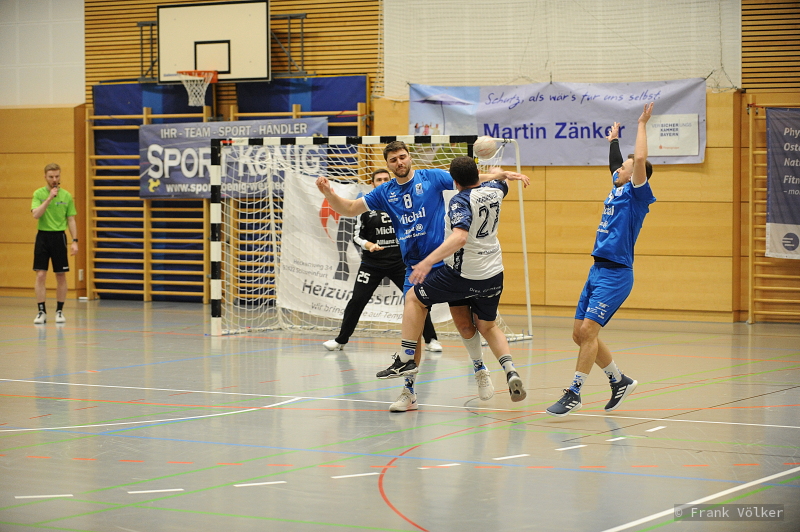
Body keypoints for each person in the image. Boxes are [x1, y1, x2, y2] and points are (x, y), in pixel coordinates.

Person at [316, 140, 530, 412]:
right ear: (388, 164)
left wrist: (500, 175)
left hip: (446, 263)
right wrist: (329, 193)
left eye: (402, 157)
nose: (399, 162)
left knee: (465, 325)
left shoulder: (432, 177)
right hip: (415, 268)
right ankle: (409, 392)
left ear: (409, 158)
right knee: (413, 330)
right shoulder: (384, 192)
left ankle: (480, 369)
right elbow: (347, 208)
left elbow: (470, 179)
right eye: (393, 160)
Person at [389, 156, 527, 412]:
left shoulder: (459, 201)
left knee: (414, 298)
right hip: (493, 273)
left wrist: (427, 262)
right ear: (477, 173)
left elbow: (460, 238)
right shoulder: (495, 190)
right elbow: (501, 182)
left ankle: (405, 358)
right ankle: (509, 371)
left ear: (453, 181)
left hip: (462, 274)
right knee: (482, 325)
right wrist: (500, 172)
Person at [546, 102, 656, 417]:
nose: (618, 169)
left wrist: (642, 123)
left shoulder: (637, 195)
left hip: (616, 274)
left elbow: (640, 160)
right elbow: (615, 165)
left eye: (625, 168)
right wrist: (613, 141)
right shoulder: (617, 188)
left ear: (635, 175)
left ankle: (575, 392)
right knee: (579, 334)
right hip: (597, 270)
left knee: (589, 332)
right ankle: (619, 380)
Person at [323, 169, 442, 353]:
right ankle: (341, 340)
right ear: (373, 184)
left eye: (386, 179)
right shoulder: (365, 207)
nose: (383, 181)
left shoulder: (401, 203)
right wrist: (368, 245)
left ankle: (431, 339)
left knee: (416, 299)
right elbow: (356, 236)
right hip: (372, 264)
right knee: (357, 300)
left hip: (399, 263)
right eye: (379, 179)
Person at [31, 163, 79, 325]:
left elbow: (71, 219)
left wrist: (74, 241)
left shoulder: (66, 196)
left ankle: (59, 311)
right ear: (45, 177)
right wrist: (49, 198)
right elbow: (36, 214)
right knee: (41, 275)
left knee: (60, 274)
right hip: (43, 237)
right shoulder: (38, 194)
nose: (54, 179)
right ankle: (41, 311)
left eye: (57, 176)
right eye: (51, 176)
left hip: (59, 237)